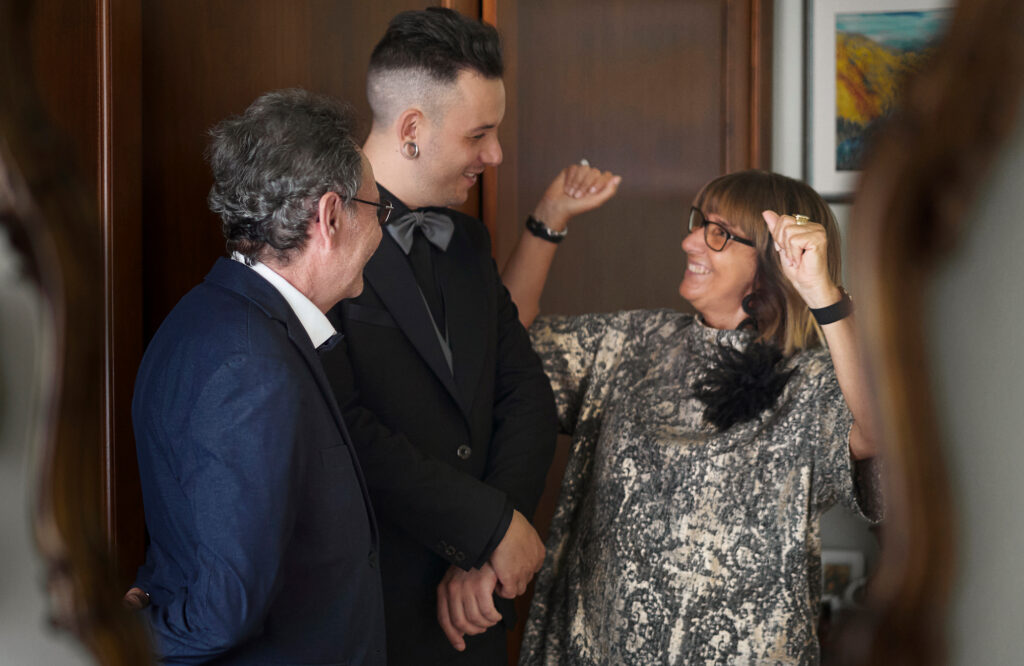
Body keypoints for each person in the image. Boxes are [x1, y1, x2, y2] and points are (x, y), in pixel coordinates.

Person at [317, 8, 619, 664]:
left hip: (476, 611)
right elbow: (339, 425)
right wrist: (486, 527)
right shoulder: (318, 239)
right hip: (372, 612)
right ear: (412, 130)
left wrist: (490, 548)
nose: (496, 154)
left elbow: (526, 396)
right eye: (480, 134)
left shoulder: (468, 241)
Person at [502, 169, 881, 664]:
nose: (689, 242)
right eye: (699, 223)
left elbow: (878, 432)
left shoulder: (809, 382)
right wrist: (548, 219)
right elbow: (504, 344)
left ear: (775, 263)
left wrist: (823, 295)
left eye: (719, 233)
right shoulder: (632, 343)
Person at [130, 89, 386, 664]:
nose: (381, 229)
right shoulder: (251, 365)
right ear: (330, 216)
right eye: (377, 209)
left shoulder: (204, 317)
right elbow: (224, 610)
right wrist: (114, 640)